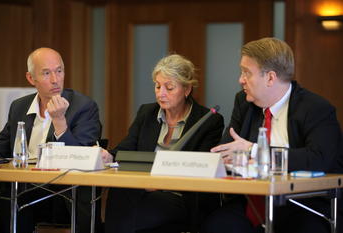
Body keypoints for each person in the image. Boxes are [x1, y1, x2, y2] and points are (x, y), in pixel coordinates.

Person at [200, 37, 343, 233]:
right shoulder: (244, 102)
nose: (240, 79)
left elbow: (318, 160)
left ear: (270, 78)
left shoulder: (316, 108)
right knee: (216, 226)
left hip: (301, 204)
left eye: (246, 73)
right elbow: (227, 149)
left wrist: (253, 150)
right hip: (250, 201)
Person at [104, 54, 225, 233]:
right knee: (119, 192)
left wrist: (160, 184)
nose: (161, 93)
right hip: (141, 188)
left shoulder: (208, 121)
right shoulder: (147, 112)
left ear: (187, 89)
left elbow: (201, 168)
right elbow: (126, 148)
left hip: (178, 194)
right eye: (158, 86)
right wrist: (108, 154)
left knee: (137, 212)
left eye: (169, 88)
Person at [0, 47, 103, 233]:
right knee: (4, 194)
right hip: (20, 184)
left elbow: (81, 157)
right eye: (46, 73)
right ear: (31, 78)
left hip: (62, 190)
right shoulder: (20, 106)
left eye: (59, 71)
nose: (55, 79)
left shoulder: (83, 106)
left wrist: (60, 122)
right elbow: (1, 147)